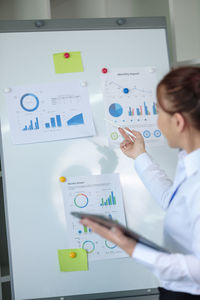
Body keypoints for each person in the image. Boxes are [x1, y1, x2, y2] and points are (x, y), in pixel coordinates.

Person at [81, 66, 200, 299]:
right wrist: (140, 156)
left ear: (178, 121)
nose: (157, 122)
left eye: (158, 112)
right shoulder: (189, 162)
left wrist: (132, 247)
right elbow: (173, 201)